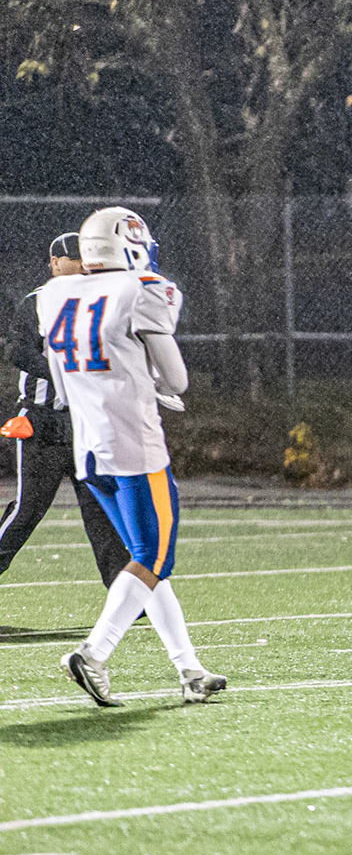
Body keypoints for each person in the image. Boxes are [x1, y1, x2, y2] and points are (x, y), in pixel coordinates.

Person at [41, 206, 223, 706]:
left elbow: (62, 384)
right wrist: (154, 383)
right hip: (136, 450)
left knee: (147, 563)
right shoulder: (140, 289)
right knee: (154, 557)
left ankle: (189, 669)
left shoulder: (56, 293)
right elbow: (178, 380)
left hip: (89, 451)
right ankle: (94, 653)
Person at [1, 233, 130, 587]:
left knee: (102, 513)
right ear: (57, 262)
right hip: (42, 423)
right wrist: (63, 373)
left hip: (86, 423)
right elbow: (17, 351)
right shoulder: (39, 301)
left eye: (86, 258)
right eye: (75, 258)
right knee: (27, 511)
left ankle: (126, 596)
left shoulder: (99, 301)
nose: (83, 265)